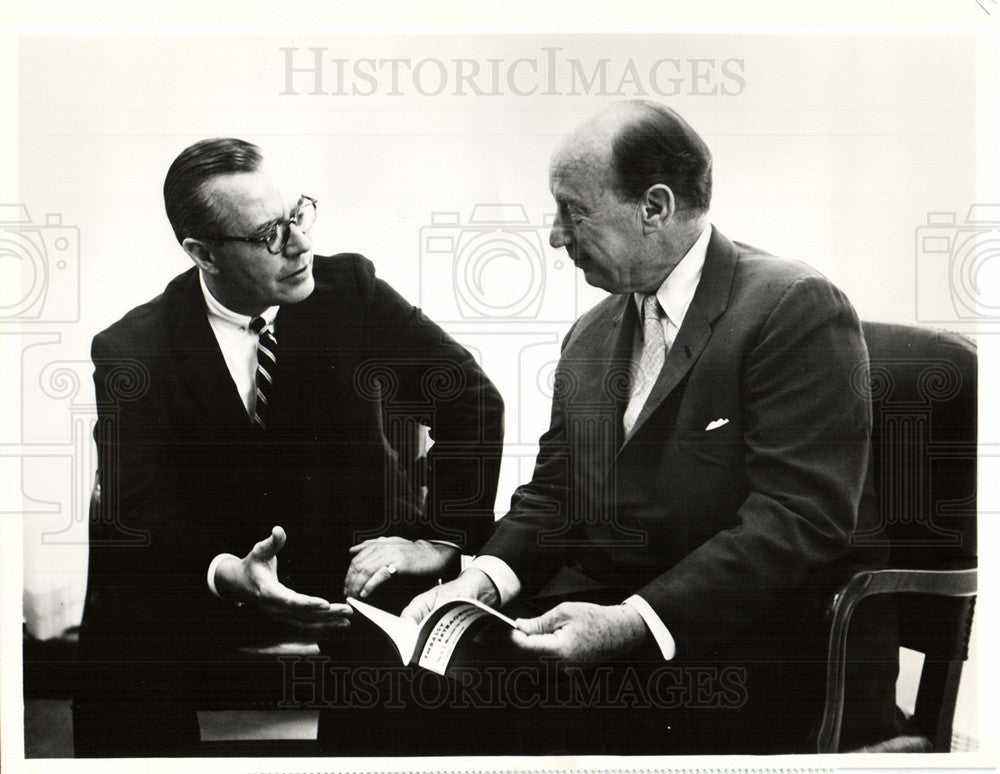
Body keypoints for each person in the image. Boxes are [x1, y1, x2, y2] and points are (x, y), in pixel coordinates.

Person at [402, 101, 901, 754]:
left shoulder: (794, 307)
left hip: (746, 639)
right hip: (607, 618)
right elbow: (556, 492)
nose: (556, 236)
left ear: (656, 207)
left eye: (572, 211)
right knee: (411, 683)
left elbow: (797, 519)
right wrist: (482, 578)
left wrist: (632, 622)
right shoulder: (591, 334)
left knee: (526, 712)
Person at [75, 138, 504, 756]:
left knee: (408, 624)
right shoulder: (133, 350)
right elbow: (141, 508)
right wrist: (230, 574)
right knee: (123, 623)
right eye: (270, 234)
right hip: (217, 567)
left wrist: (435, 540)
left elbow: (472, 402)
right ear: (204, 253)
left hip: (348, 554)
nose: (301, 244)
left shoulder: (349, 291)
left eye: (299, 213)